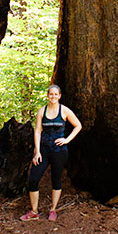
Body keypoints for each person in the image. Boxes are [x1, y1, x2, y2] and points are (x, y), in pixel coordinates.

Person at [20, 84, 82, 222]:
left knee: (56, 180)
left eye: (56, 94)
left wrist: (66, 140)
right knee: (34, 179)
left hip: (59, 151)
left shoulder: (64, 111)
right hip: (44, 150)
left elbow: (78, 125)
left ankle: (53, 210)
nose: (53, 96)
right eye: (51, 94)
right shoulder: (42, 111)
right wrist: (37, 151)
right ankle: (34, 211)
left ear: (59, 96)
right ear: (47, 96)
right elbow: (37, 131)